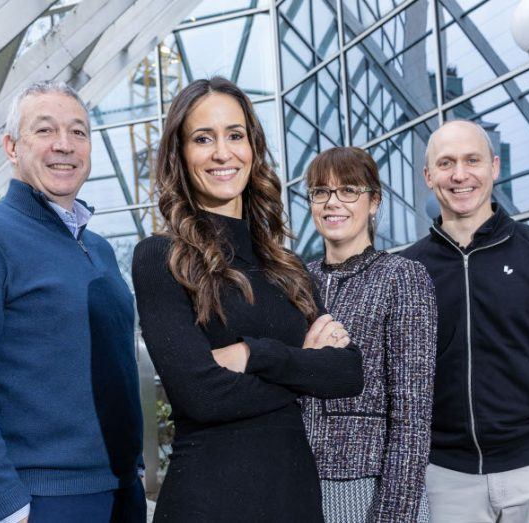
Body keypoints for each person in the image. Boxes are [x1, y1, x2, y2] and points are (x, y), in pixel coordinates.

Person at [131, 77, 364, 522]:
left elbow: (347, 372)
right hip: (209, 502)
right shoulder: (162, 258)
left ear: (252, 147)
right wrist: (303, 365)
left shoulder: (288, 267)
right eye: (203, 138)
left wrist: (252, 354)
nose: (223, 152)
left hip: (294, 499)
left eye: (235, 135)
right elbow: (201, 395)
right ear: (180, 155)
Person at [0, 81, 145, 523]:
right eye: (45, 131)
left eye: (78, 132)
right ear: (11, 147)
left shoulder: (98, 249)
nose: (64, 145)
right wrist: (6, 504)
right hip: (47, 501)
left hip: (123, 493)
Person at [402, 119, 529, 523]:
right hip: (443, 480)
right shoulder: (409, 269)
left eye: (472, 160)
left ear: (494, 167)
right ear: (428, 176)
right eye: (446, 163)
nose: (460, 175)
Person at [303, 147, 436, 522]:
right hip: (296, 477)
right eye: (320, 192)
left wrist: (394, 513)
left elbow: (413, 411)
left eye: (348, 190)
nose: (333, 203)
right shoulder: (296, 281)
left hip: (370, 484)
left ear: (374, 201)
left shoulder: (403, 277)